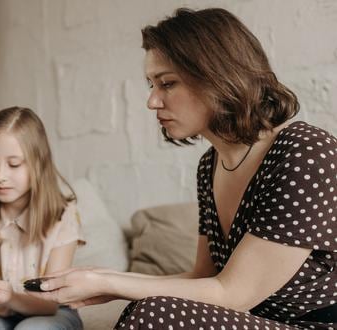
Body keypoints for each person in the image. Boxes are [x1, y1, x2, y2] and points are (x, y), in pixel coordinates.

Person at [26, 8, 337, 330]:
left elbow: (234, 293)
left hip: (311, 325)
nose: (152, 101)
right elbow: (204, 277)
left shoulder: (305, 151)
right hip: (249, 320)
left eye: (167, 83)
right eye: (151, 84)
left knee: (156, 313)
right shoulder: (210, 165)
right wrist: (102, 279)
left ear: (219, 75)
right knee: (148, 307)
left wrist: (108, 284)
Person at [0, 106, 85, 329]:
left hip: (53, 313)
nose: (0, 177)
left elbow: (51, 304)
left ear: (39, 164)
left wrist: (11, 298)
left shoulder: (63, 216)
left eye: (14, 164)